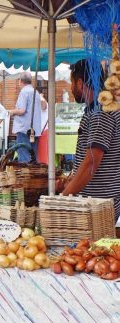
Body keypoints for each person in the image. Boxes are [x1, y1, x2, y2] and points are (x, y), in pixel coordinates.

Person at [60, 59, 120, 222]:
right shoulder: (98, 109)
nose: (71, 88)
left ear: (80, 83)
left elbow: (91, 162)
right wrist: (73, 178)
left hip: (96, 204)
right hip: (97, 202)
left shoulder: (100, 113)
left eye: (72, 83)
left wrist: (63, 200)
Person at [8, 72, 42, 162]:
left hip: (24, 128)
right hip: (35, 128)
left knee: (23, 154)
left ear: (21, 81)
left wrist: (11, 112)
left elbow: (22, 110)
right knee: (33, 155)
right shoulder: (36, 92)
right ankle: (33, 174)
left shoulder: (24, 92)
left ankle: (25, 175)